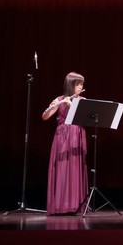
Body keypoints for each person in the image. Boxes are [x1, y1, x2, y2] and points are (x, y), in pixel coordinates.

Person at [42, 71, 88, 215]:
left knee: (74, 168)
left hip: (77, 136)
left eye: (82, 84)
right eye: (78, 84)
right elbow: (44, 117)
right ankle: (60, 205)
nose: (80, 87)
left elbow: (84, 119)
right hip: (62, 138)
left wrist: (71, 104)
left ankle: (75, 205)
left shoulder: (82, 100)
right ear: (70, 85)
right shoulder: (60, 99)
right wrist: (53, 106)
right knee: (62, 168)